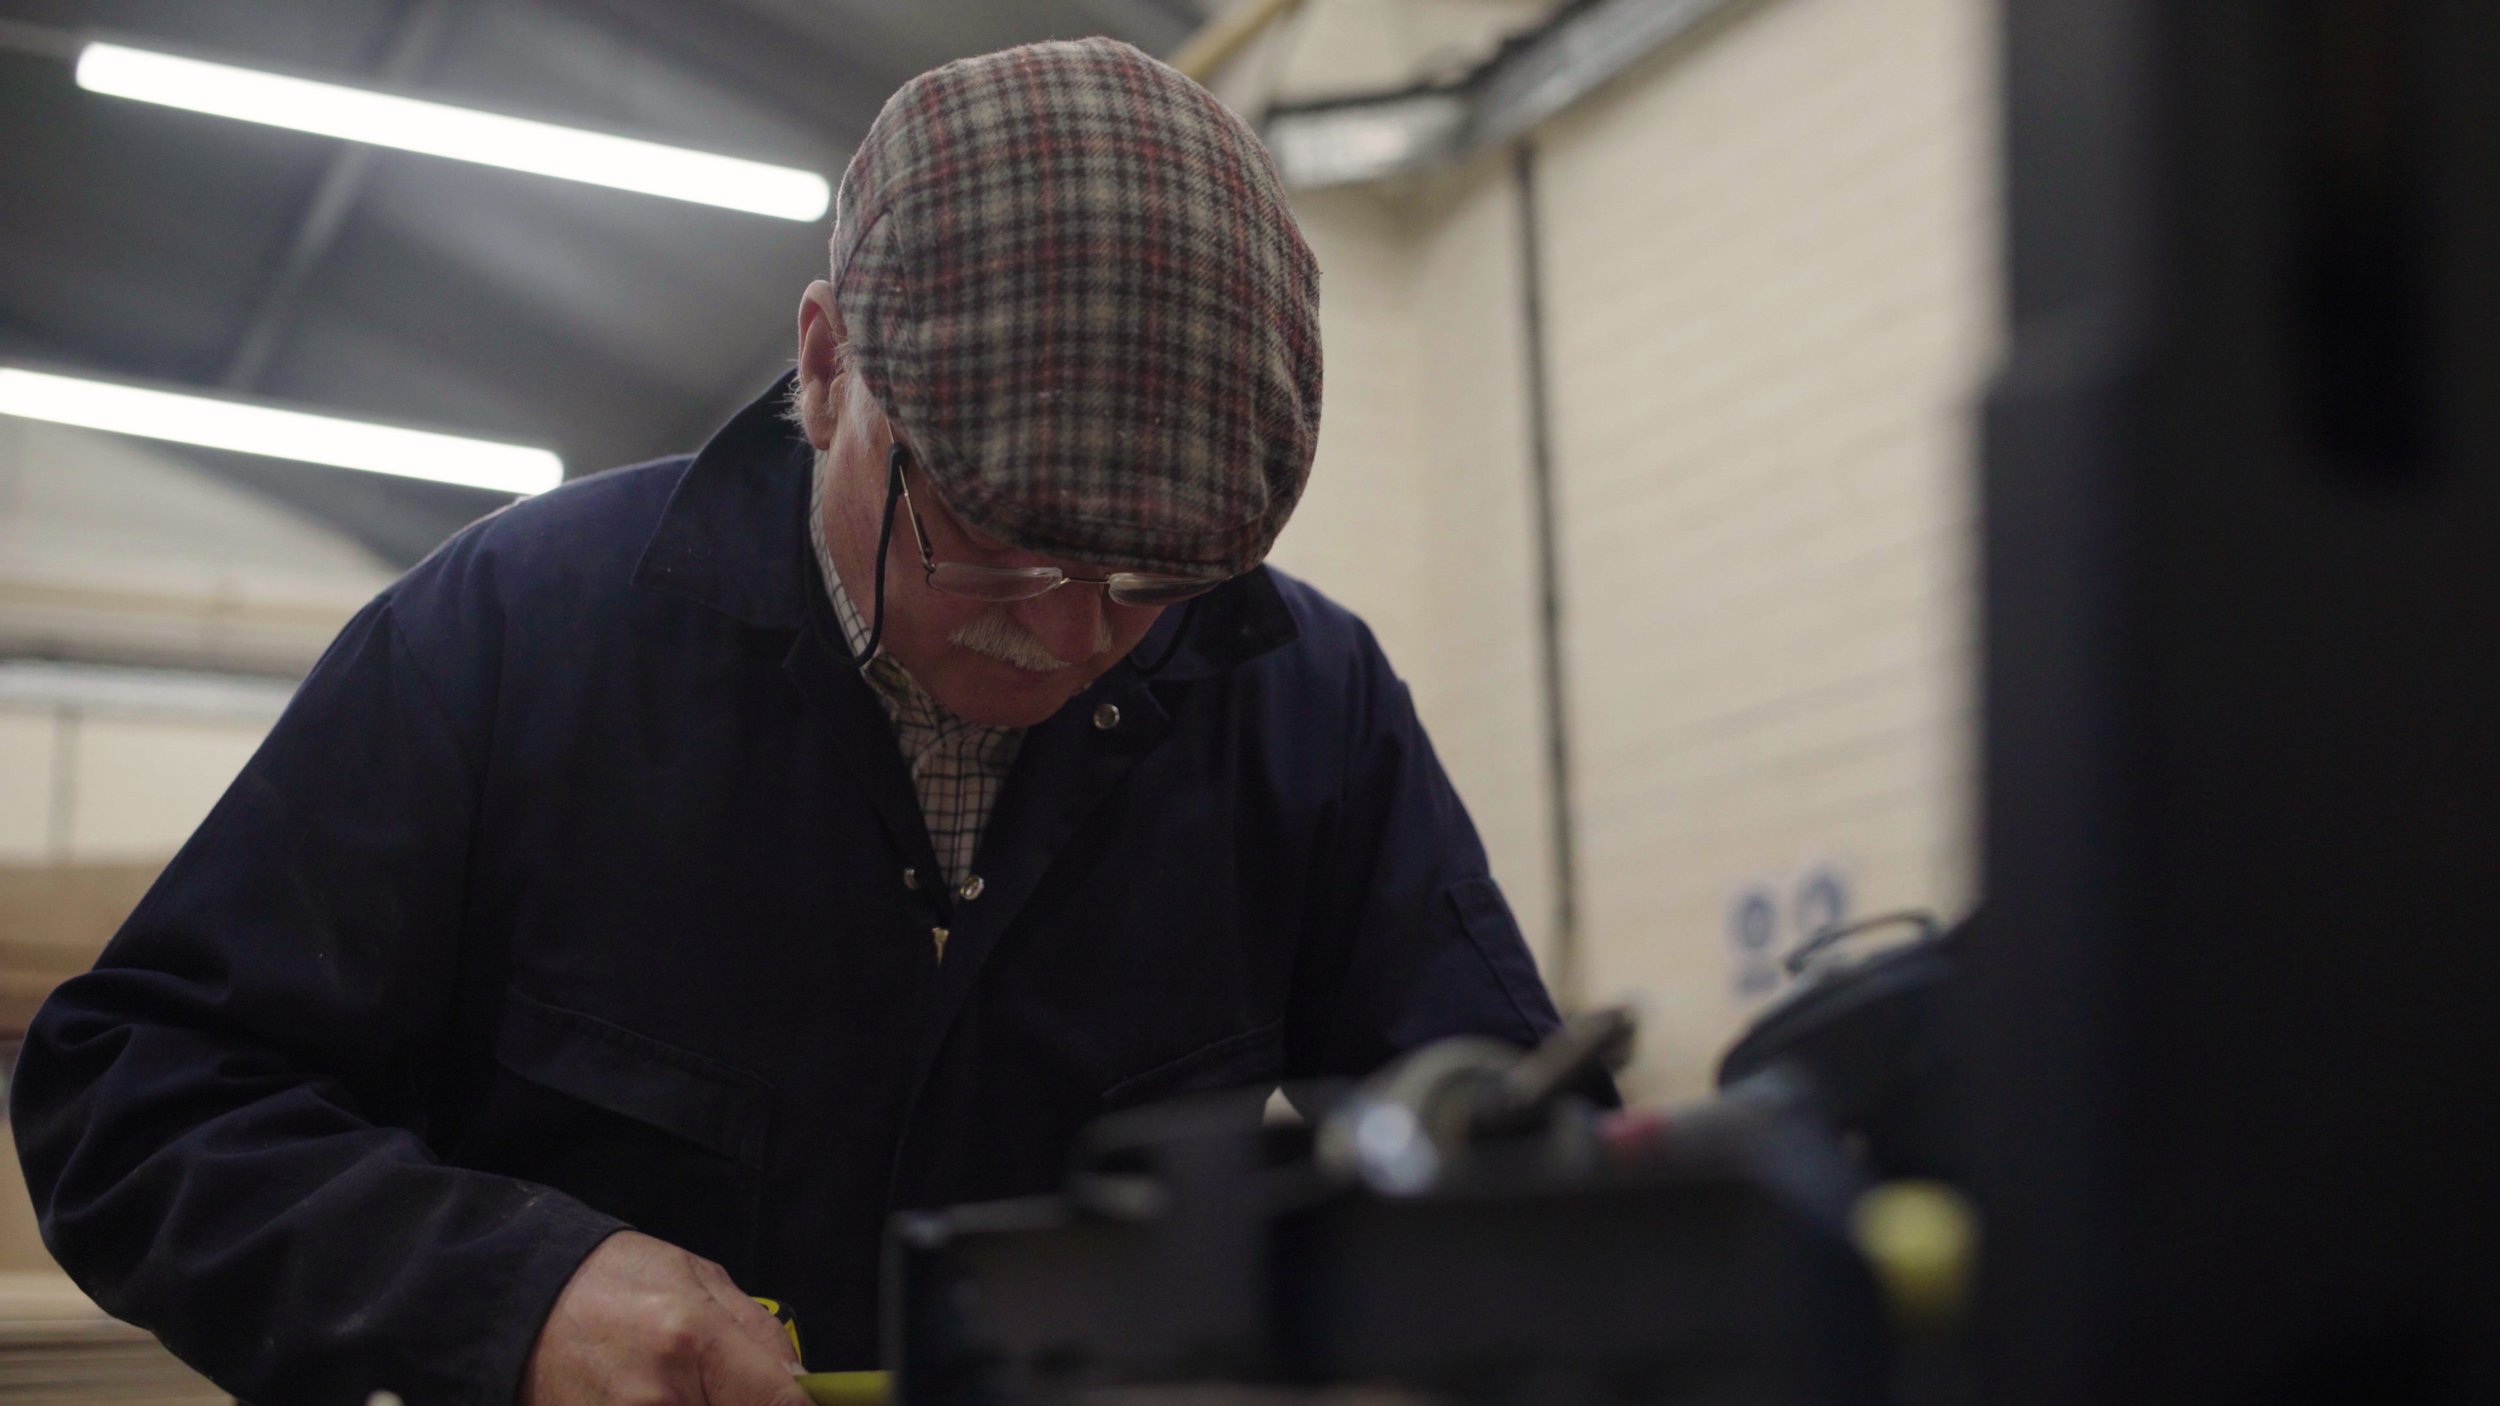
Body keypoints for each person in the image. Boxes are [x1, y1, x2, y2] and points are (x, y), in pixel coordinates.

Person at [10, 37, 1573, 1406]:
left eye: (1152, 578)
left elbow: (1523, 1177)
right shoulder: (509, 635)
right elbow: (141, 1094)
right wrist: (506, 1291)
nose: (1076, 635)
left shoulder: (1300, 701)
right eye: (997, 544)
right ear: (828, 367)